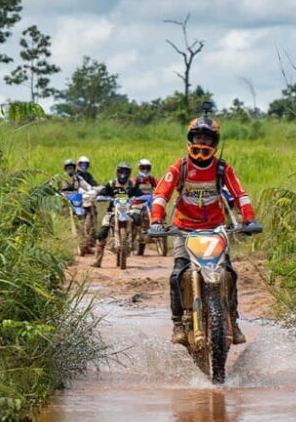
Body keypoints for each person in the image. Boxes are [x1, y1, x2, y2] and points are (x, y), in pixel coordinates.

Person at [149, 115, 258, 345]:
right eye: (198, 138)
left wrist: (248, 219)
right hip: (183, 229)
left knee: (229, 273)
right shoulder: (180, 167)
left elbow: (240, 194)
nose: (202, 144)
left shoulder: (221, 169)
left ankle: (234, 321)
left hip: (215, 230)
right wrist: (157, 221)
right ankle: (178, 324)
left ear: (214, 143)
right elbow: (161, 194)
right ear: (190, 140)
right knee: (177, 274)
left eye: (207, 139)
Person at [91, 162, 143, 267]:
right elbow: (102, 193)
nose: (123, 174)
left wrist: (144, 197)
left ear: (129, 173)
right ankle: (97, 261)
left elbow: (140, 195)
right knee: (102, 232)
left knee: (137, 220)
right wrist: (101, 196)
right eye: (121, 171)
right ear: (117, 172)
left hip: (129, 211)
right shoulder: (111, 184)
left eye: (126, 172)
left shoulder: (132, 185)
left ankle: (133, 242)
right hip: (112, 211)